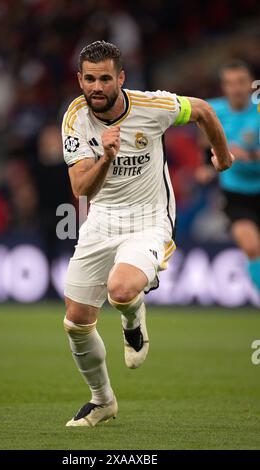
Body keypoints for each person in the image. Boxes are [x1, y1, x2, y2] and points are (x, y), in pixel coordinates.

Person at [61, 41, 233, 427]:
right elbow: (81, 189)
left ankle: (133, 317)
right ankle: (102, 401)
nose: (97, 87)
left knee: (121, 290)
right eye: (89, 79)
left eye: (106, 78)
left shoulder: (154, 106)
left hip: (149, 218)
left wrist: (222, 156)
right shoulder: (74, 117)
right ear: (80, 80)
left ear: (121, 78)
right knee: (75, 322)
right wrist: (106, 156)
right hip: (101, 218)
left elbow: (203, 109)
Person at [196, 60, 260, 292]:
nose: (236, 88)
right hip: (236, 194)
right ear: (224, 87)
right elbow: (204, 141)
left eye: (241, 82)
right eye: (230, 83)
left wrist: (249, 155)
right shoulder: (213, 110)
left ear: (251, 85)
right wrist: (205, 165)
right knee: (252, 248)